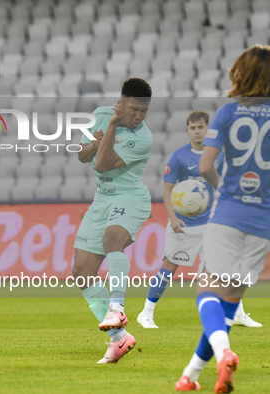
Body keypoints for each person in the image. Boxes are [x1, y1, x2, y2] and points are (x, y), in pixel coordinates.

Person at [175, 45, 270, 393]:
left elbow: (204, 166)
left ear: (240, 73)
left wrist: (224, 190)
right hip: (263, 223)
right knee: (229, 303)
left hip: (228, 213)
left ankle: (224, 352)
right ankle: (190, 377)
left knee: (207, 292)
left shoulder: (228, 113)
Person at [136, 111, 262, 329]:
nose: (197, 131)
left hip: (210, 224)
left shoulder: (217, 156)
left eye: (200, 127)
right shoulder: (179, 156)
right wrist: (173, 219)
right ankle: (146, 313)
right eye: (193, 128)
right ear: (188, 130)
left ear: (207, 129)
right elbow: (167, 191)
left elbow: (224, 186)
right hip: (183, 225)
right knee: (168, 268)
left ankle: (238, 313)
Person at [73, 77, 153, 364]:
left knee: (112, 240)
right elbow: (83, 156)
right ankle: (119, 338)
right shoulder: (99, 114)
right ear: (120, 103)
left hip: (130, 197)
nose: (138, 116)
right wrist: (93, 143)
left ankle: (116, 306)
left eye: (144, 111)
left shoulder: (143, 138)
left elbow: (104, 164)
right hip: (102, 199)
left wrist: (110, 130)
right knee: (81, 271)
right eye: (133, 109)